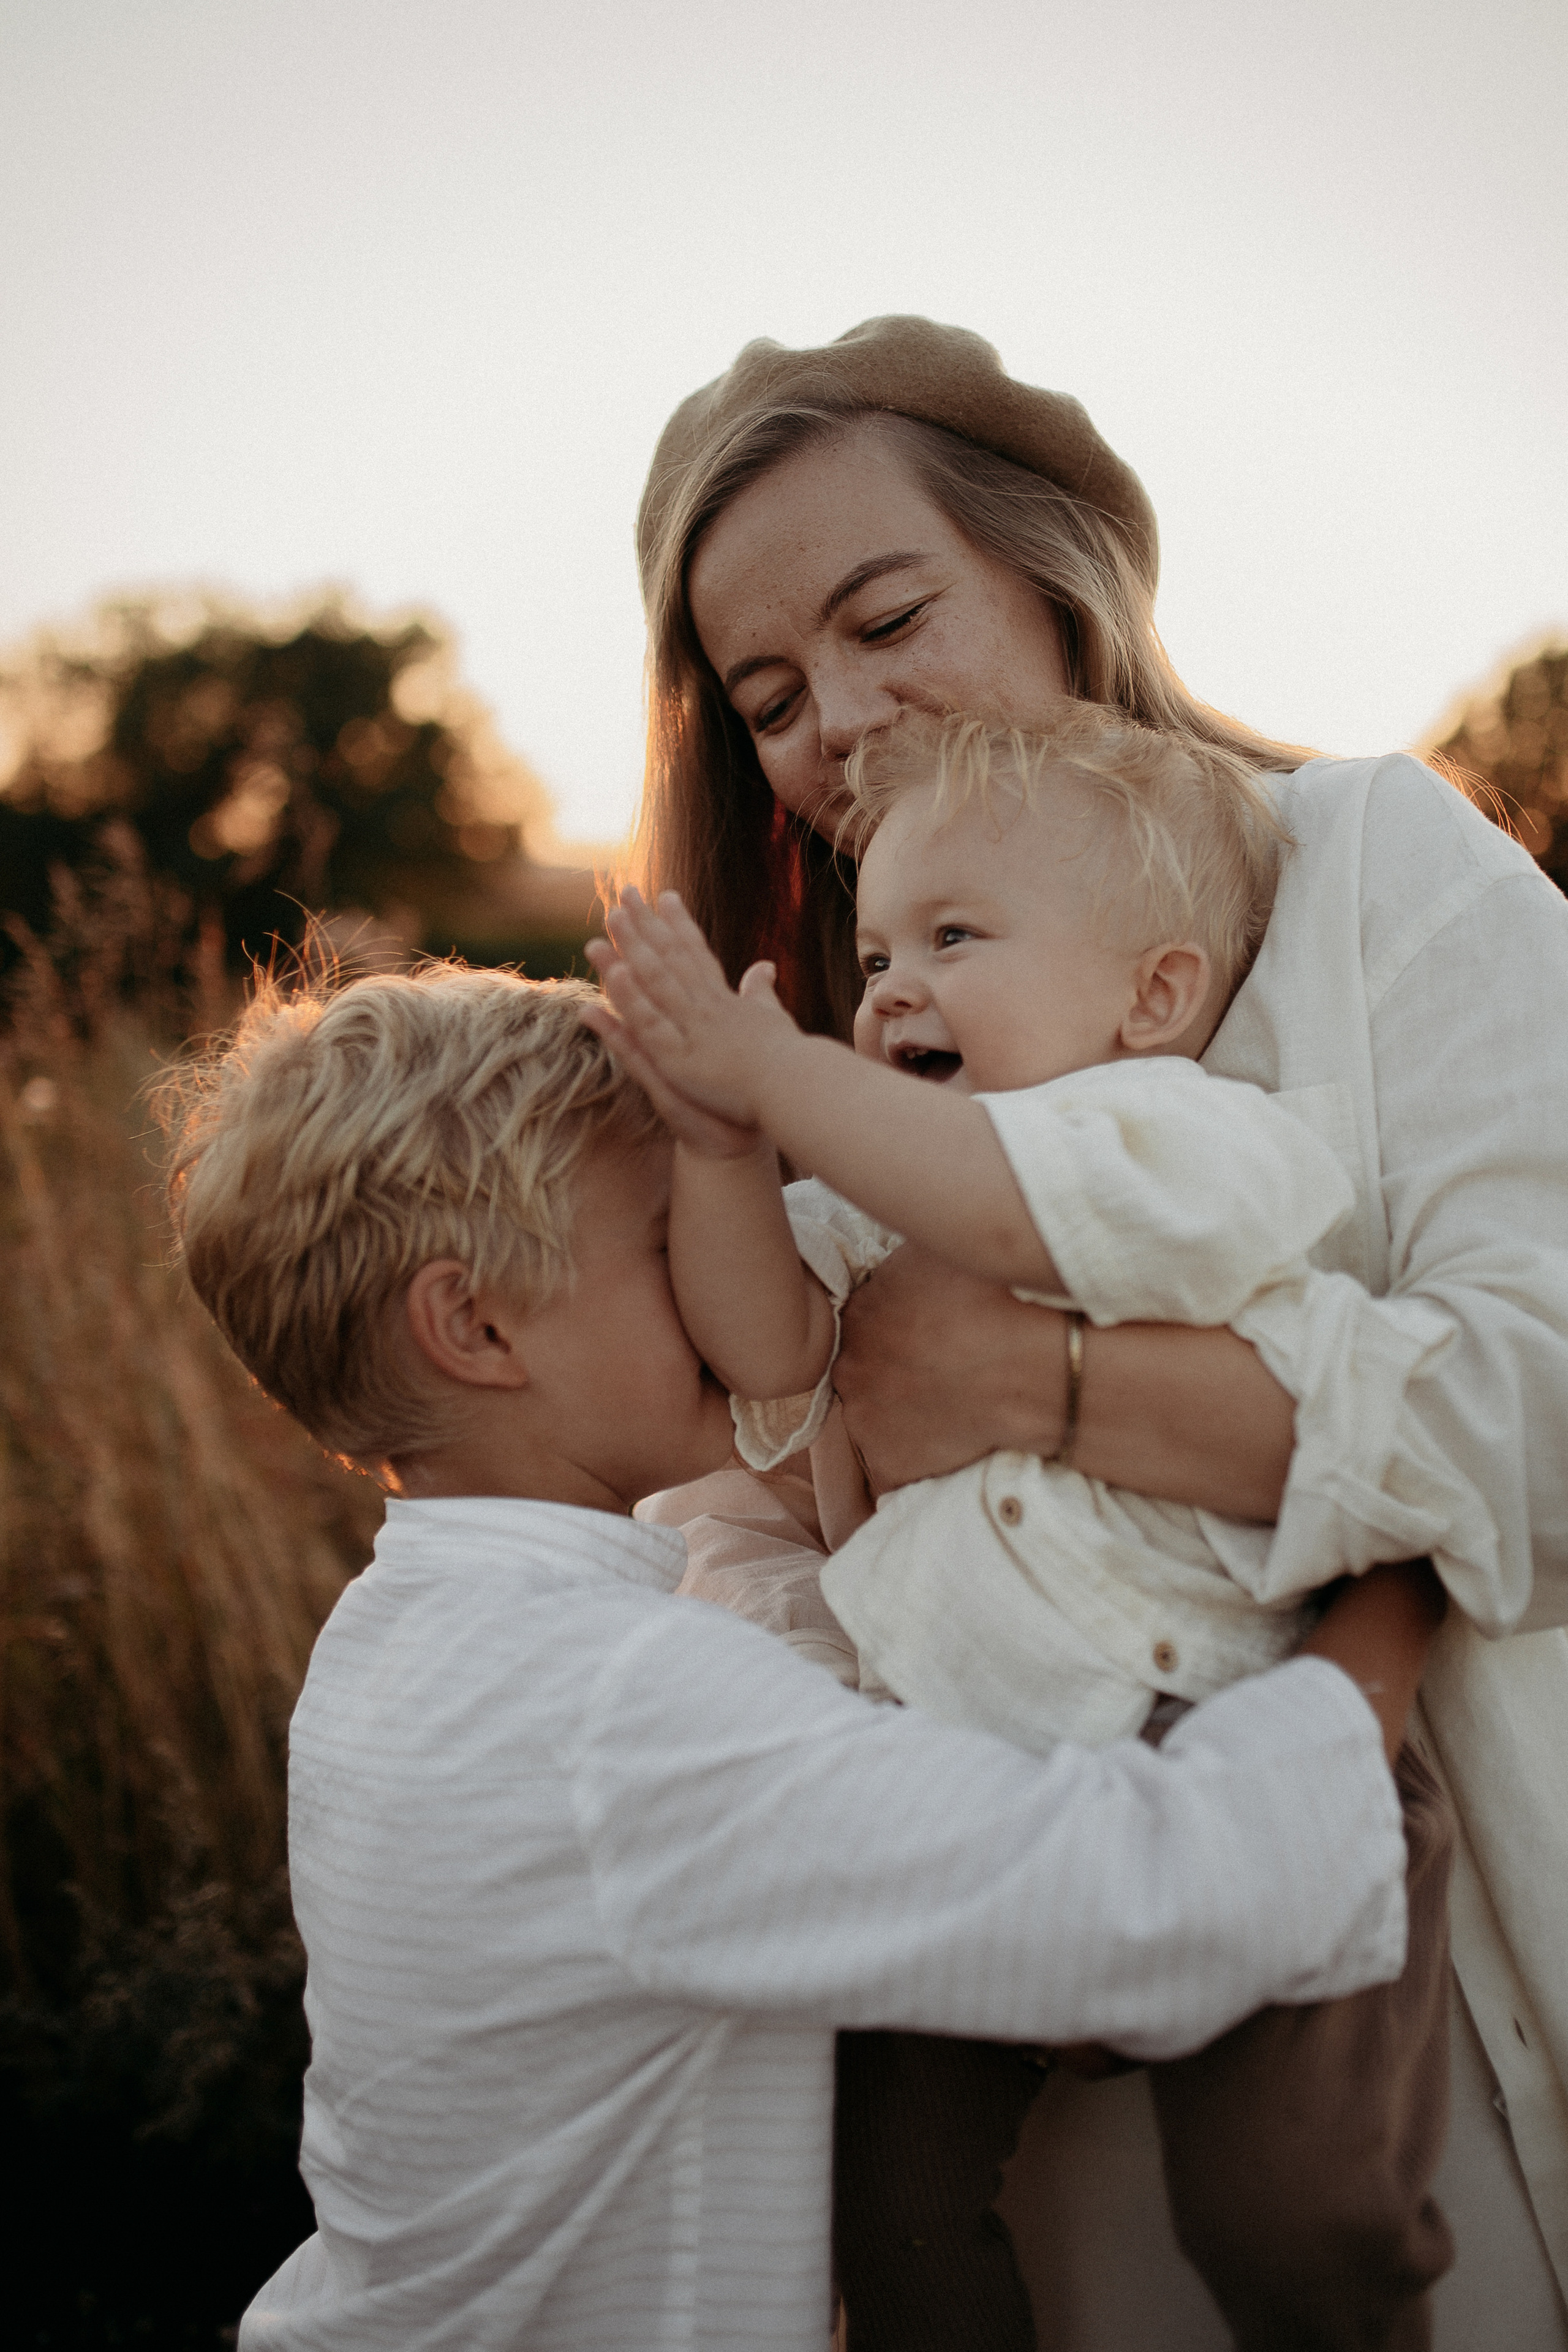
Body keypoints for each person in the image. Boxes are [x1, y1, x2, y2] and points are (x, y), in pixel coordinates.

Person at [630, 316, 1568, 2341]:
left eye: (892, 618)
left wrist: (1052, 1385)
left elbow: (1552, 1411)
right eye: (770, 694)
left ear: (1063, 578)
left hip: (1426, 1965)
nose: (842, 722)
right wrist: (950, 1800)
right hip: (1009, 1977)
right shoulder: (838, 1030)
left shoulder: (1369, 862)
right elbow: (730, 1510)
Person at [159, 960, 1422, 2352]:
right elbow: (1149, 1900)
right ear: (475, 1326)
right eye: (663, 1237)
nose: (732, 1265)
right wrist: (1390, 1574)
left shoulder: (393, 1647)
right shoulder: (614, 1705)